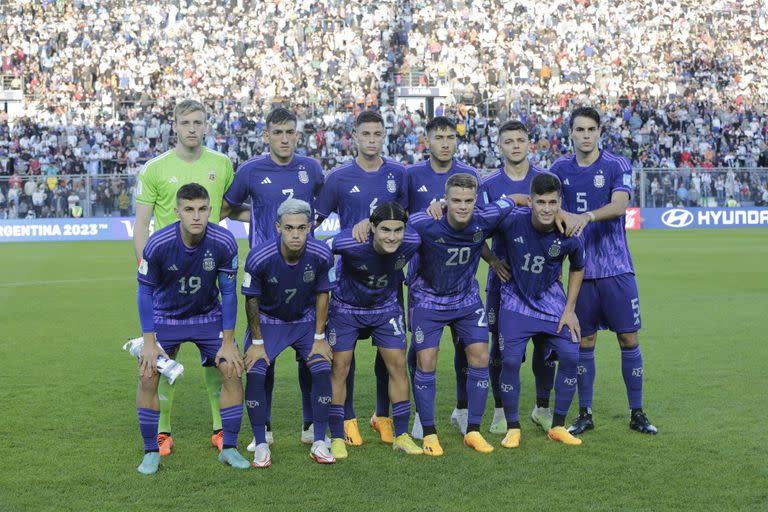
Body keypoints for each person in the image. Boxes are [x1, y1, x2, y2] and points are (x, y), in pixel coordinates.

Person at [133, 99, 236, 456]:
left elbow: (227, 208)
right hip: (167, 277)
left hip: (208, 274)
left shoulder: (221, 164)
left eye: (198, 122)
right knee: (160, 360)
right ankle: (162, 432)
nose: (192, 128)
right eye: (185, 122)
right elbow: (142, 226)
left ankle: (220, 429)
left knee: (216, 360)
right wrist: (147, 271)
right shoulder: (155, 169)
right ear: (174, 126)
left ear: (206, 125)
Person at [551, 106, 657, 435]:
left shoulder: (615, 164)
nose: (585, 135)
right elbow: (550, 206)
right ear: (570, 133)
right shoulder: (559, 169)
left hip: (616, 268)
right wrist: (563, 216)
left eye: (590, 129)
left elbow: (621, 204)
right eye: (579, 130)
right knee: (585, 342)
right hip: (580, 272)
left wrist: (586, 217)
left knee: (628, 338)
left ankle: (637, 412)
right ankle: (585, 413)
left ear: (599, 132)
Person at [223, 107, 325, 448]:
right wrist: (259, 216)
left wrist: (303, 233)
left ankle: (311, 424)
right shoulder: (251, 170)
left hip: (303, 273)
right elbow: (226, 208)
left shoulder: (311, 168)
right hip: (263, 276)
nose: (284, 138)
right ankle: (262, 428)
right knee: (259, 354)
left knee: (309, 354)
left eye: (290, 132)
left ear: (298, 134)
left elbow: (321, 206)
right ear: (266, 135)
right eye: (278, 132)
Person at [134, 184, 249, 475]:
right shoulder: (158, 243)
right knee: (148, 373)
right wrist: (149, 342)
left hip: (206, 317)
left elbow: (229, 293)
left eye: (202, 209)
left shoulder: (224, 241)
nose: (196, 216)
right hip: (165, 317)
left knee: (232, 368)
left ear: (210, 210)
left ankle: (230, 447)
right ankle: (150, 452)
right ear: (177, 212)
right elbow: (144, 293)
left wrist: (228, 342)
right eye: (189, 209)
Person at [314, 110, 408, 447]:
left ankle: (383, 417)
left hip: (388, 282)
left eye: (377, 134)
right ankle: (348, 420)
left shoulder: (398, 173)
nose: (371, 139)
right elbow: (314, 222)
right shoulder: (338, 177)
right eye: (365, 134)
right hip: (349, 280)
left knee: (392, 356)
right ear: (354, 136)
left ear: (385, 135)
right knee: (344, 358)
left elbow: (407, 220)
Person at [407, 173, 516, 456]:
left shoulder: (486, 216)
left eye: (468, 200)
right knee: (427, 360)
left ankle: (473, 431)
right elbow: (391, 228)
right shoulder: (424, 222)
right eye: (456, 200)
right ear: (445, 200)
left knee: (480, 356)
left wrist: (491, 258)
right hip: (428, 299)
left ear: (476, 200)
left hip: (466, 298)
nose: (463, 206)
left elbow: (517, 199)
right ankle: (429, 432)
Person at [400, 116, 485, 439]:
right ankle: (423, 416)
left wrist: (492, 259)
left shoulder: (469, 175)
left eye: (451, 137)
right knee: (420, 351)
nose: (445, 143)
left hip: (461, 278)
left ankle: (461, 410)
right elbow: (402, 220)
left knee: (466, 348)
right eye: (439, 137)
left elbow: (479, 224)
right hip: (424, 280)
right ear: (428, 140)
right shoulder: (412, 175)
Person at [241, 199, 336, 467]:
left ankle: (318, 439)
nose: (296, 234)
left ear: (309, 227)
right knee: (256, 371)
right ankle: (260, 442)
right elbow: (251, 300)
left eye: (302, 228)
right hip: (269, 321)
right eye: (289, 228)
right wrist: (257, 342)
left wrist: (319, 338)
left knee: (320, 368)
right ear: (278, 227)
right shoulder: (259, 257)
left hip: (305, 321)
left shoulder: (321, 254)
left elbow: (323, 295)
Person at [326, 202, 423, 459]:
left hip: (385, 308)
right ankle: (336, 437)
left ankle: (401, 435)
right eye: (385, 230)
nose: (392, 236)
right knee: (339, 368)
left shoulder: (412, 240)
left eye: (397, 230)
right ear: (371, 227)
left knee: (398, 366)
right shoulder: (349, 242)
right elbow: (318, 251)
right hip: (345, 309)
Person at [495, 172, 585, 448]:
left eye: (552, 202)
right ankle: (513, 427)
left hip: (550, 301)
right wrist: (492, 261)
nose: (547, 209)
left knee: (571, 355)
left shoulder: (570, 232)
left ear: (560, 203)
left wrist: (570, 310)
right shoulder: (511, 220)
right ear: (530, 202)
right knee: (509, 361)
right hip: (515, 299)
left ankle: (558, 425)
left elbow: (578, 267)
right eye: (541, 202)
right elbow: (477, 228)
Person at [481, 120, 556, 435]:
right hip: (504, 280)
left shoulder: (545, 180)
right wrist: (493, 260)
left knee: (546, 346)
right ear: (499, 146)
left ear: (529, 144)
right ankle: (500, 411)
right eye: (508, 141)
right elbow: (475, 230)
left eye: (520, 140)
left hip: (543, 282)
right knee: (500, 350)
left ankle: (541, 408)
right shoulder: (487, 185)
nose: (515, 145)